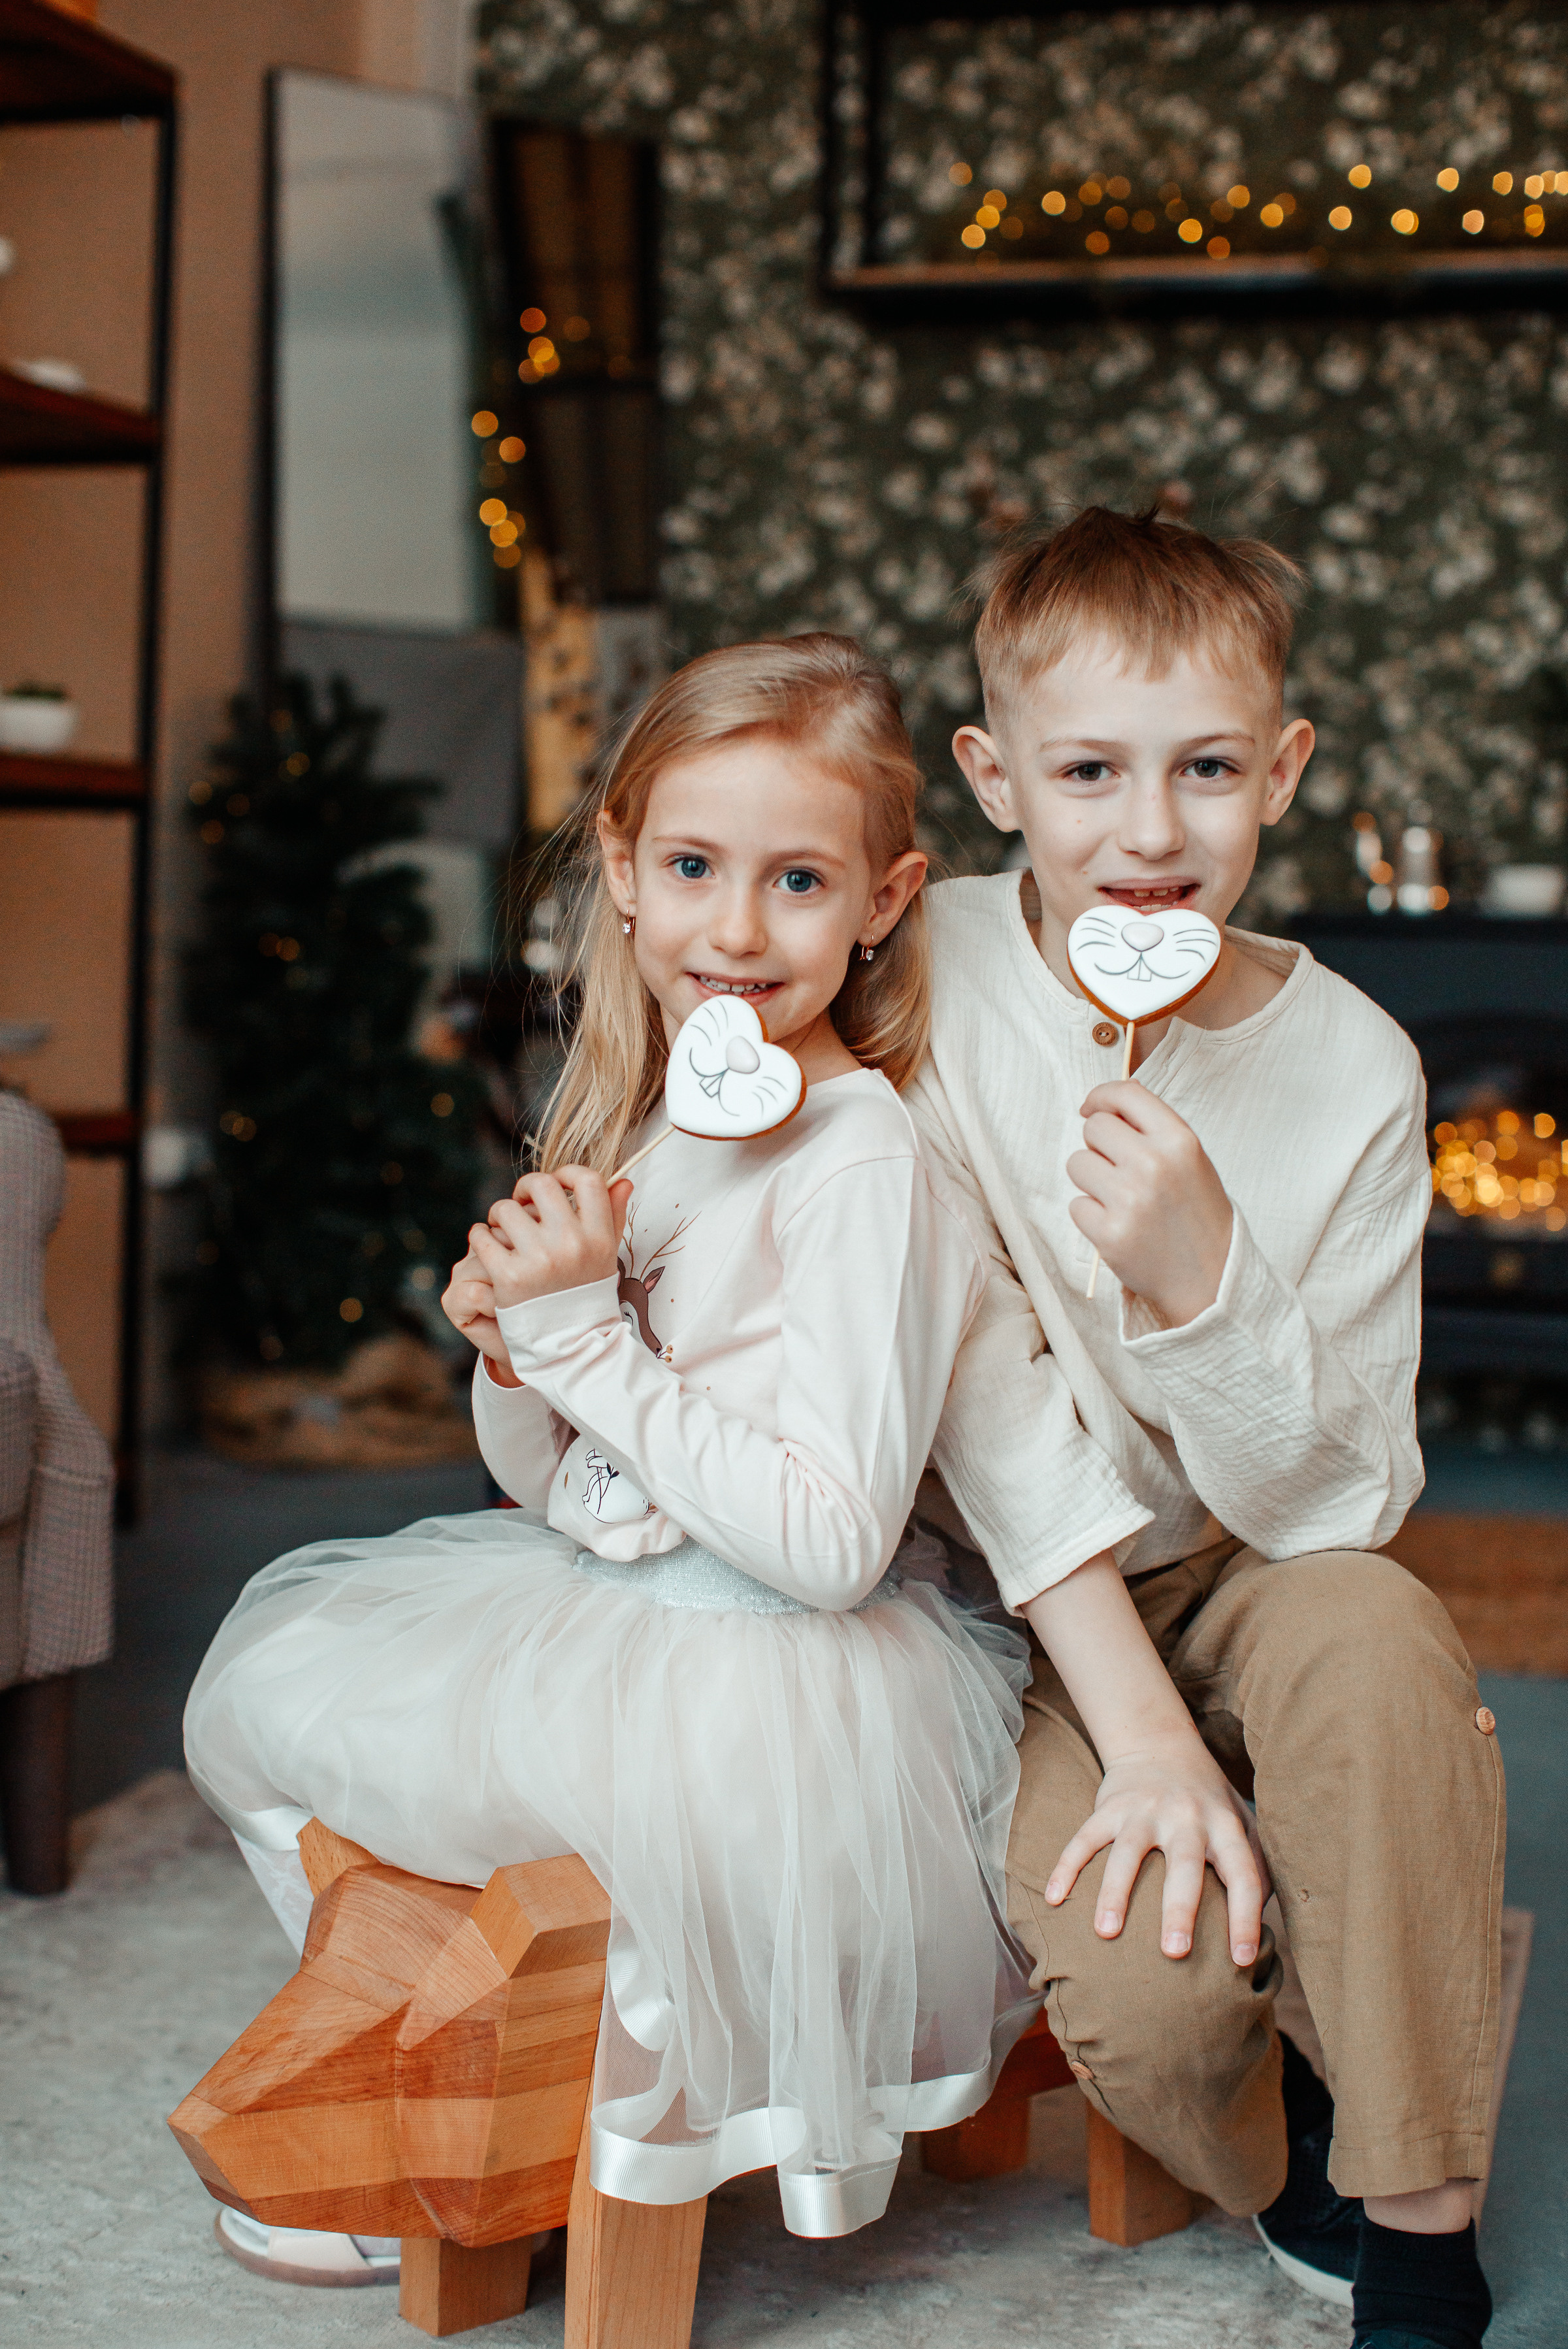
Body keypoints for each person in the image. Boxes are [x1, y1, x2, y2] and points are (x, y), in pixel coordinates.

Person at [183, 633, 1037, 2286]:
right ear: (625, 879)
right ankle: (448, 2079)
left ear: (883, 900)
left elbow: (833, 1536)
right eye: (695, 868)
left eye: (797, 879)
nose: (735, 927)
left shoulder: (862, 1162)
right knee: (273, 1714)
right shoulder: (654, 1127)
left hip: (770, 1673)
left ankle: (527, 2128)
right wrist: (513, 1356)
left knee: (549, 1848)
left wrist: (587, 1346)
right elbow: (549, 1478)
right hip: (601, 1600)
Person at [907, 508, 1500, 2349]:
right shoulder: (914, 981)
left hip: (1248, 1557)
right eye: (1089, 771)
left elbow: (1346, 1502)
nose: (1150, 835)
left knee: (1380, 1638)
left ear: (1284, 772)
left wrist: (1204, 1281)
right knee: (1154, 2015)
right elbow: (974, 1405)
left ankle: (1419, 2210)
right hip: (1022, 1607)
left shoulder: (1356, 1070)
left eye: (1207, 771)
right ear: (997, 778)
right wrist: (1150, 1740)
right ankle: (1310, 2074)